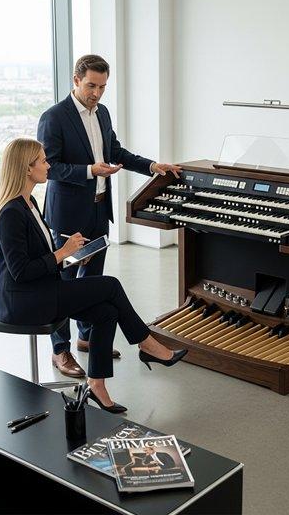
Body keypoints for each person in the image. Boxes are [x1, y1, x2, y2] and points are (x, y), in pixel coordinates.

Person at [0, 138, 187, 413]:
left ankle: (97, 384)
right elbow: (21, 272)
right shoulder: (11, 212)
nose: (49, 166)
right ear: (26, 168)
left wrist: (72, 256)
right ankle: (147, 343)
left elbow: (39, 258)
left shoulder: (29, 202)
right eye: (43, 161)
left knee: (107, 312)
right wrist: (63, 252)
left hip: (41, 290)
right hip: (23, 302)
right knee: (110, 286)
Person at [37, 54, 181, 377]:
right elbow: (51, 168)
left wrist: (152, 166)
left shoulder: (102, 113)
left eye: (102, 87)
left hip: (99, 209)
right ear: (76, 80)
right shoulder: (54, 117)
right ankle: (60, 351)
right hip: (67, 215)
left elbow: (115, 152)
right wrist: (90, 170)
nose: (97, 93)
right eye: (91, 86)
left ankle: (87, 337)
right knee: (62, 284)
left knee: (92, 279)